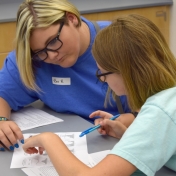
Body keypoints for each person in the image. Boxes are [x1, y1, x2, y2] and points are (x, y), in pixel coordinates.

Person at [23, 14, 176, 176]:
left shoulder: (159, 112)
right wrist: (130, 134)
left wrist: (48, 139)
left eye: (103, 73)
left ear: (125, 72)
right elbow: (162, 140)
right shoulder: (168, 100)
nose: (102, 79)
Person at [0, 0, 134, 152]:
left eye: (53, 41)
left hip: (124, 142)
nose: (51, 55)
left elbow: (162, 101)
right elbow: (3, 93)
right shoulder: (32, 59)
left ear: (71, 19)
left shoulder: (120, 41)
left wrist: (129, 120)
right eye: (40, 51)